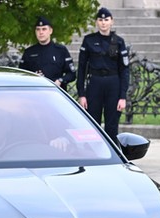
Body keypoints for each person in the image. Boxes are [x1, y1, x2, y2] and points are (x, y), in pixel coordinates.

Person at [76, 7, 129, 143]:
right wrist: (81, 94)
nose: (103, 23)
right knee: (93, 122)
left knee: (112, 124)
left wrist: (122, 96)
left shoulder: (119, 42)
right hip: (95, 83)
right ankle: (93, 153)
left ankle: (112, 155)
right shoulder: (88, 40)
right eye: (100, 20)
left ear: (112, 21)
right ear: (96, 22)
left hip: (113, 84)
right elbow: (81, 68)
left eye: (106, 20)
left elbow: (124, 70)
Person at [19, 16, 76, 90]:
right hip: (35, 93)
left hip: (55, 93)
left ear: (50, 31)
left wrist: (60, 80)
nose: (41, 32)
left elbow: (71, 74)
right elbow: (21, 75)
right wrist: (33, 78)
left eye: (44, 29)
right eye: (38, 29)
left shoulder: (60, 50)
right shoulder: (29, 52)